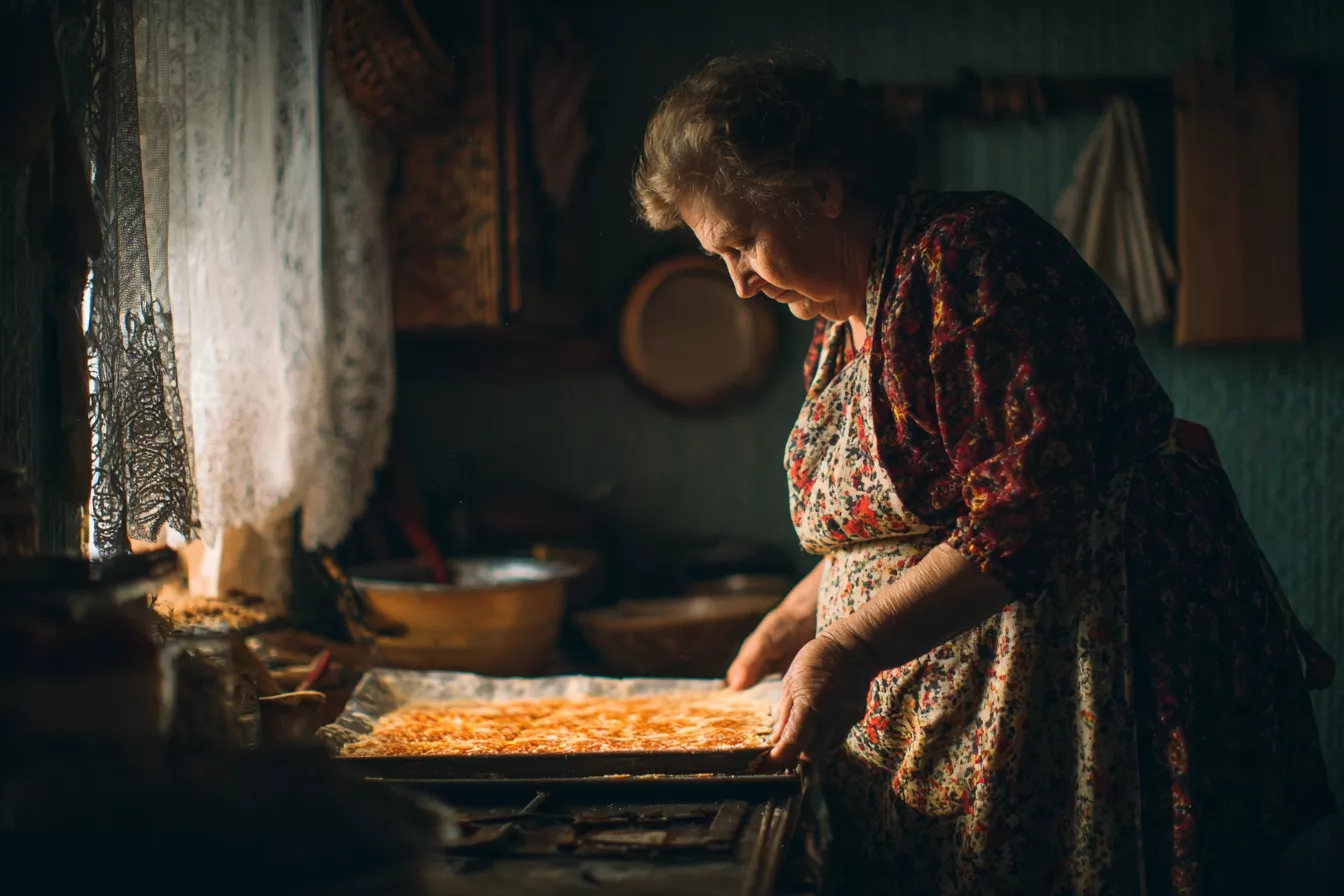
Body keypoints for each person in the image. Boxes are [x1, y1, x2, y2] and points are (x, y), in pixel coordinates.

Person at [634, 51, 1335, 895]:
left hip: (1088, 681)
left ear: (822, 189)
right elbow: (906, 518)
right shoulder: (842, 316)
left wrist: (850, 645)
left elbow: (1028, 504)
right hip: (962, 710)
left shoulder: (966, 258)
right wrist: (794, 621)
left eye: (743, 243)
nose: (740, 285)